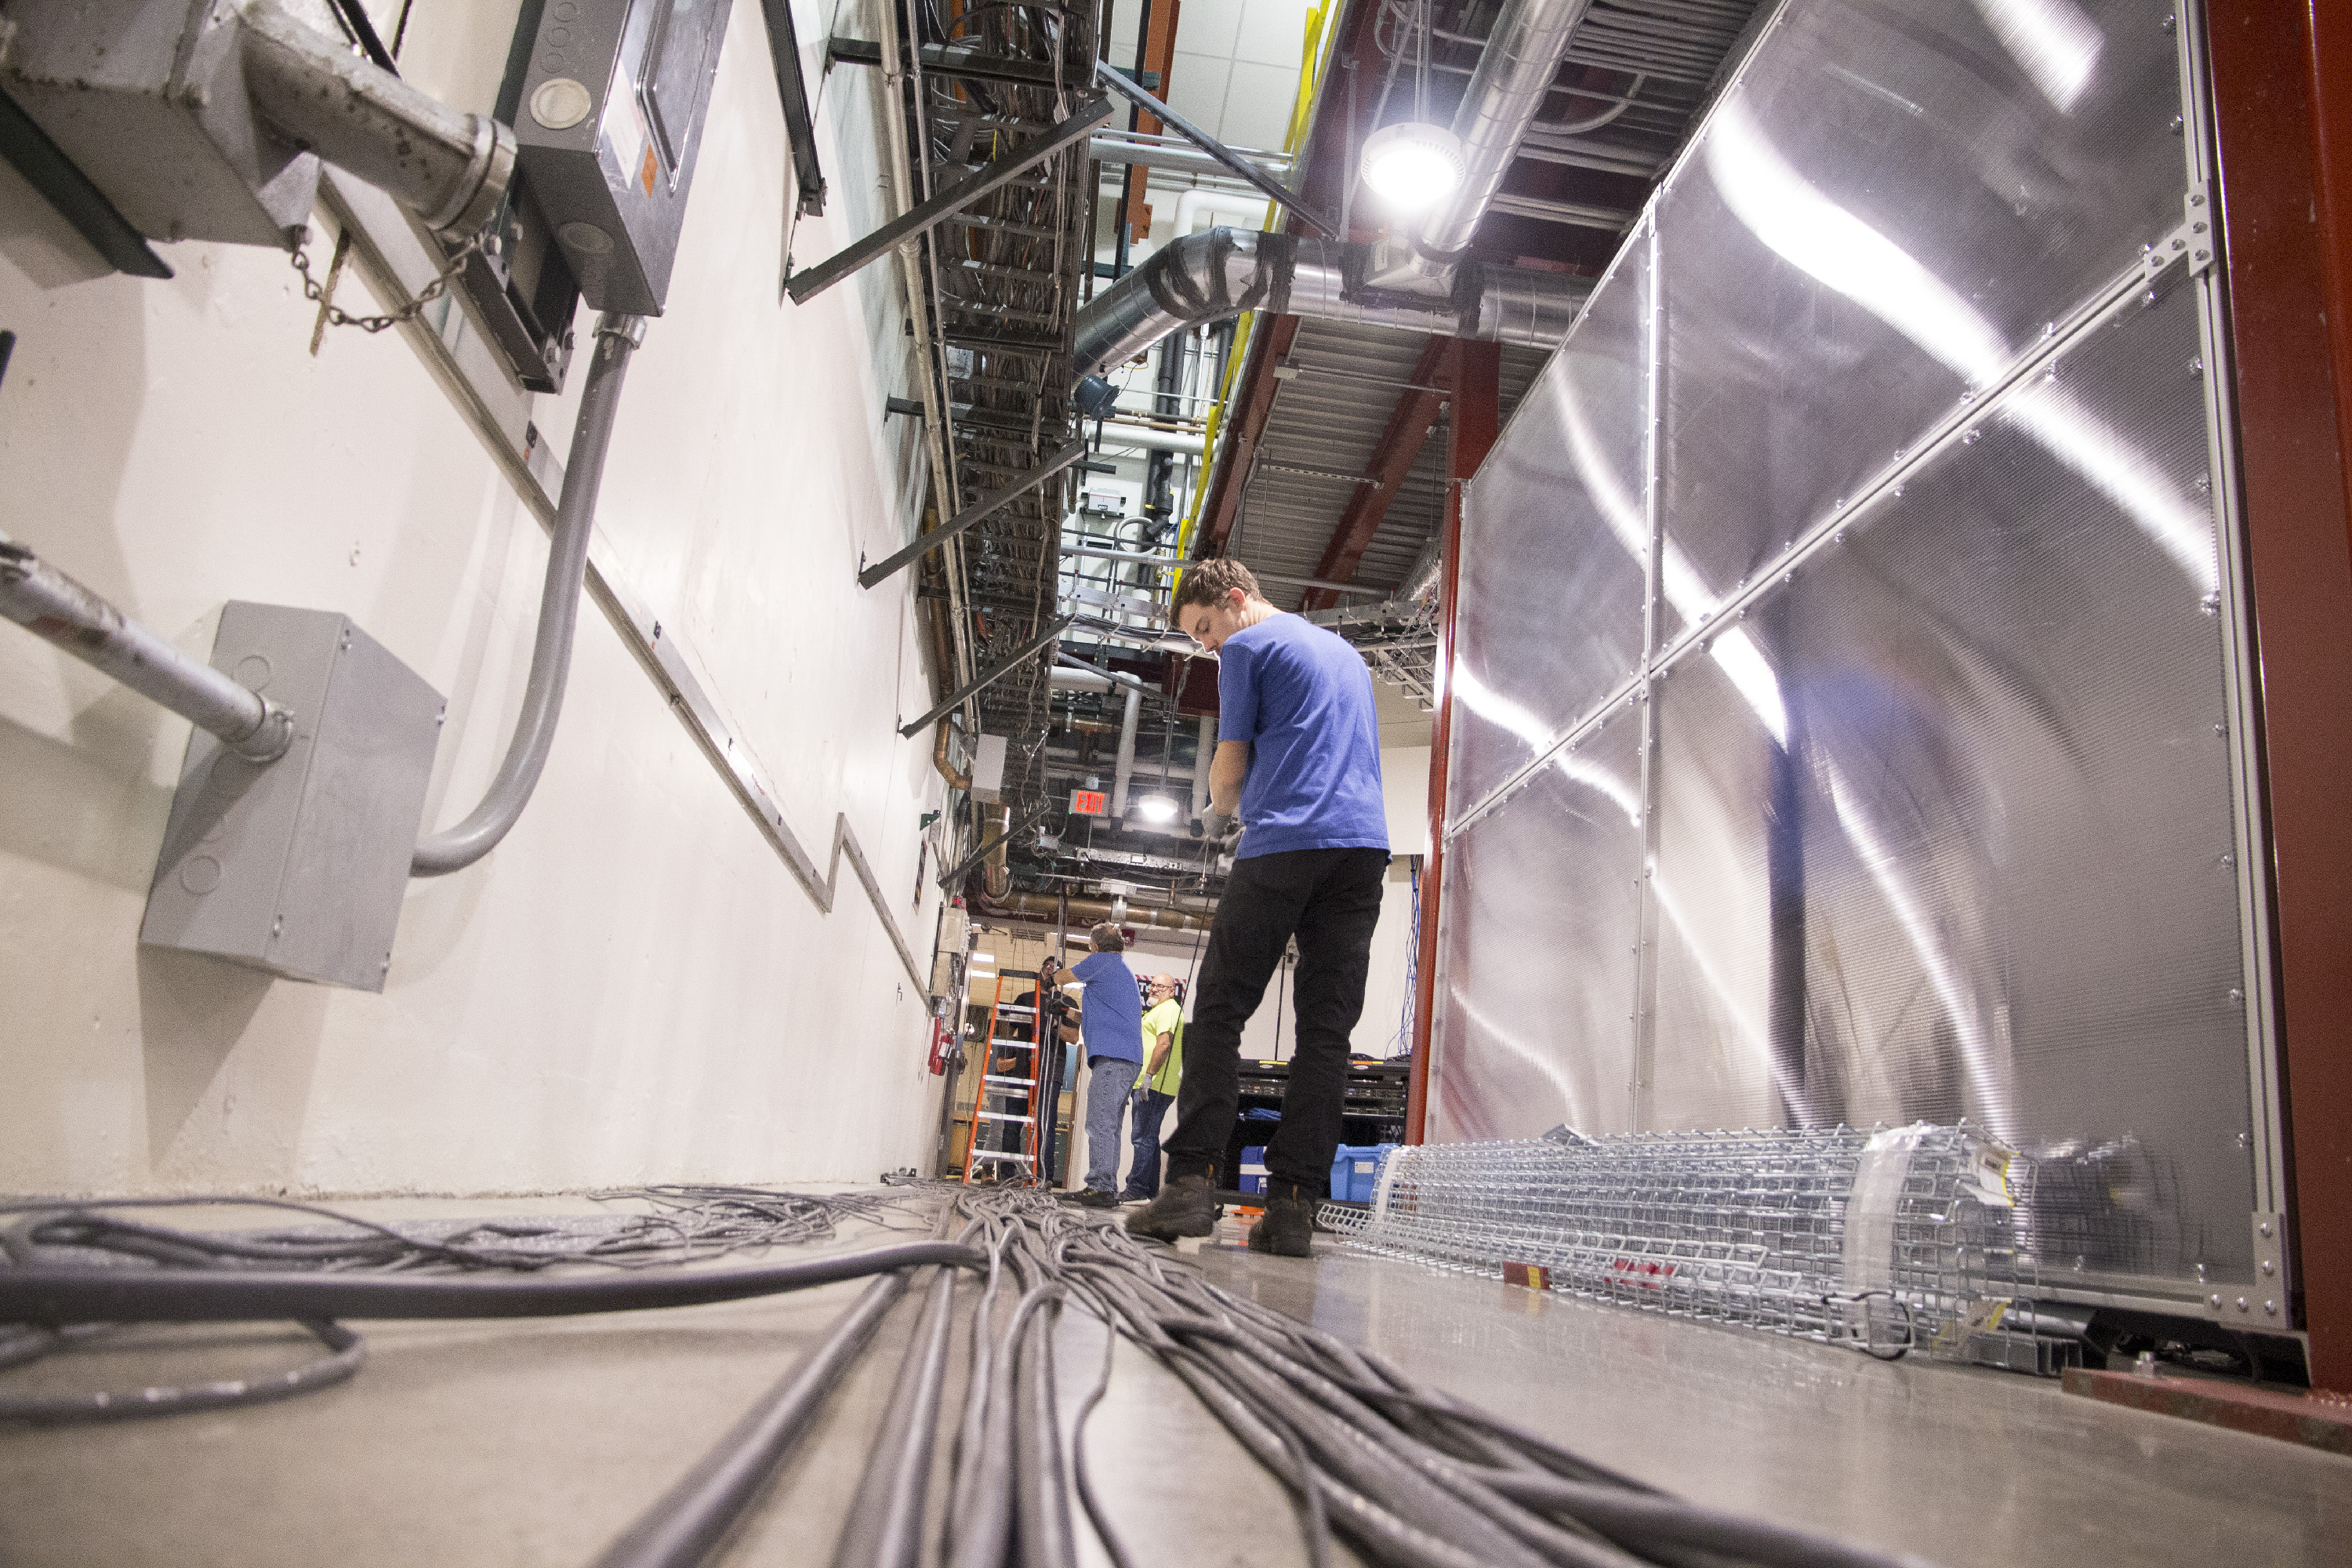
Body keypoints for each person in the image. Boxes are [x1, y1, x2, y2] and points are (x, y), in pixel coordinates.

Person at [1129, 560, 1387, 1257]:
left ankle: (1189, 1185)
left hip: (1285, 843)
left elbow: (1231, 762)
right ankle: (1295, 1207)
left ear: (1237, 601)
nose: (1207, 645)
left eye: (1205, 628)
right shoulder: (1345, 655)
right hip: (1363, 853)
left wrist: (1215, 812)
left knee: (1218, 1009)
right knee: (1325, 1033)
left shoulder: (1249, 647)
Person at [1062, 924, 1143, 1207]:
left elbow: (1063, 977)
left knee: (1099, 1123)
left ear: (1093, 946)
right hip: (1125, 1059)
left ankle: (1101, 1187)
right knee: (1109, 1125)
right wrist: (1067, 1011)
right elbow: (1098, 1012)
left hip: (1113, 1059)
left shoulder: (1100, 961)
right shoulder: (1118, 970)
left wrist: (1049, 976)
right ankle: (1105, 1186)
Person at [1120, 975, 1185, 1202]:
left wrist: (1149, 1076)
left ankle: (1136, 1189)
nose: (1154, 989)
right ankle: (1149, 1191)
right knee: (1149, 1137)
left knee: (1142, 1138)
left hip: (1155, 1085)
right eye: (1152, 985)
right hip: (1150, 1084)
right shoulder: (1158, 1010)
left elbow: (1164, 1043)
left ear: (1172, 990)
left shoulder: (1169, 1009)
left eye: (1160, 986)